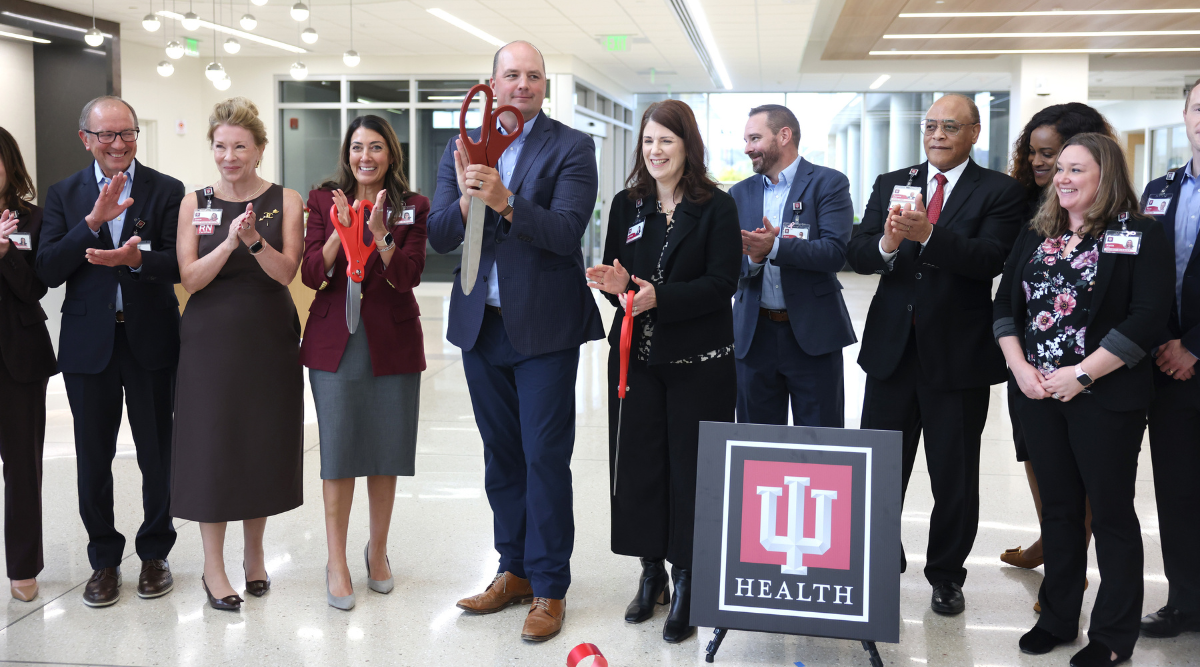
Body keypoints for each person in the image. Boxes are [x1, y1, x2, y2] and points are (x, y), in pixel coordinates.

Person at [427, 40, 602, 642]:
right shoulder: (462, 146)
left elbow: (565, 233)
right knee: (501, 456)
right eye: (511, 75)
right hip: (482, 328)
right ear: (491, 83)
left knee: (543, 457)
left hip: (545, 331)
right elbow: (441, 234)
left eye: (533, 75)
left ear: (544, 85)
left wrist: (504, 201)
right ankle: (515, 570)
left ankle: (551, 587)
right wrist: (467, 191)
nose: (522, 84)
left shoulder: (572, 147)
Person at [993, 132, 1172, 667]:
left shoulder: (1139, 233)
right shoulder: (1036, 231)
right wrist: (1020, 368)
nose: (1063, 178)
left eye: (1077, 169)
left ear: (1106, 175)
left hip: (1104, 397)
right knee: (1061, 512)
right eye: (1061, 169)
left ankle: (1114, 636)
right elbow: (1005, 305)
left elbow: (1147, 318)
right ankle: (1057, 617)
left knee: (1112, 514)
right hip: (1037, 393)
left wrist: (1083, 375)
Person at [845, 93, 1024, 615]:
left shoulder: (1000, 191)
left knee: (954, 475)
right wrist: (885, 244)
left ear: (974, 133)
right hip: (891, 354)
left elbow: (990, 259)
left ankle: (946, 574)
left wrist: (928, 235)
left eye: (950, 126)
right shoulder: (891, 182)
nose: (938, 135)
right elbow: (858, 251)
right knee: (879, 469)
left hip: (958, 356)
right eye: (930, 126)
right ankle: (876, 558)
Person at [585, 99, 740, 643]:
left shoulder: (717, 207)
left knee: (691, 473)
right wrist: (618, 289)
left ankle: (690, 578)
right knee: (640, 468)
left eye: (666, 141)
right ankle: (651, 572)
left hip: (700, 365)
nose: (655, 151)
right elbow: (621, 285)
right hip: (637, 362)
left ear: (687, 147)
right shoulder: (628, 205)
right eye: (648, 141)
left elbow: (724, 284)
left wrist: (659, 298)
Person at [35, 96, 184, 608]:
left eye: (127, 133)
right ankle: (103, 559)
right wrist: (92, 223)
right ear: (86, 139)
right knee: (93, 457)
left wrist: (137, 260)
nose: (118, 144)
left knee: (157, 452)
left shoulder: (166, 190)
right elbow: (48, 269)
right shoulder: (64, 194)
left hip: (151, 338)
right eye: (106, 135)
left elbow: (178, 263)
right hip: (87, 346)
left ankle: (155, 552)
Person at [171, 97, 304, 611]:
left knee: (258, 445)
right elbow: (190, 278)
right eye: (221, 146)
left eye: (240, 147)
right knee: (212, 447)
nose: (229, 156)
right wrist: (227, 244)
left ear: (259, 148)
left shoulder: (284, 200)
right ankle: (212, 566)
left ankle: (254, 557)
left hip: (266, 339)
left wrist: (252, 241)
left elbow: (286, 272)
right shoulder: (195, 202)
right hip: (209, 344)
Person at [299, 115, 429, 610]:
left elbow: (409, 276)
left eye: (376, 147)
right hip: (336, 341)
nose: (366, 157)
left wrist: (381, 234)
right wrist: (339, 230)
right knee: (338, 453)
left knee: (385, 450)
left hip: (391, 341)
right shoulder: (321, 200)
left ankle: (377, 551)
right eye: (357, 147)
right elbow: (313, 273)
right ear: (346, 153)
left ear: (391, 154)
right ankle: (336, 561)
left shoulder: (411, 207)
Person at [1000, 103, 1116, 587]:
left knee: (1080, 471)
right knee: (1034, 452)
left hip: (1090, 368)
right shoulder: (1025, 207)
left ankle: (1069, 566)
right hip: (1028, 359)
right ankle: (1053, 539)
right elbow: (1006, 291)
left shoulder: (1116, 220)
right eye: (1035, 154)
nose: (1042, 164)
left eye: (1054, 155)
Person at [732, 104, 856, 427]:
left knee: (819, 444)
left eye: (755, 138)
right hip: (753, 336)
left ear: (783, 135)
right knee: (754, 444)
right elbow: (726, 266)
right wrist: (753, 260)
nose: (747, 149)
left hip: (812, 336)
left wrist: (775, 247)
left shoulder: (828, 184)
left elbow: (834, 252)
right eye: (746, 140)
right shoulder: (739, 194)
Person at [1139, 77, 1200, 640]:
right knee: (1177, 488)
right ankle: (1185, 600)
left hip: (1193, 353)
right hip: (1167, 365)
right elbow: (1142, 273)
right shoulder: (1159, 189)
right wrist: (1161, 340)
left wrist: (1194, 346)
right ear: (1184, 114)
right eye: (1199, 107)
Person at [0, 127, 57, 602]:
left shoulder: (31, 219)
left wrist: (3, 254)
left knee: (22, 467)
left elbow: (36, 287)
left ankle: (22, 565)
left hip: (18, 358)